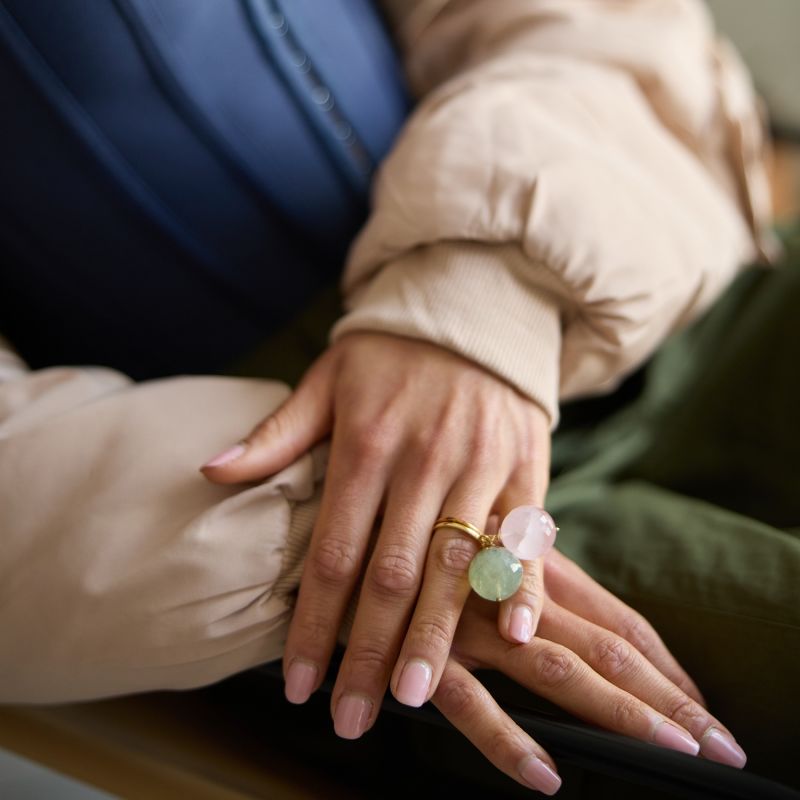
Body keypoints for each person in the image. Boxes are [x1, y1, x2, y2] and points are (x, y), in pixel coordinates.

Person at [0, 0, 772, 794]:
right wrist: (359, 528)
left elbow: (591, 21)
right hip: (324, 490)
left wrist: (478, 296)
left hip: (643, 275)